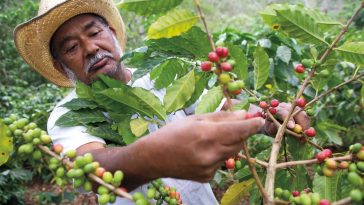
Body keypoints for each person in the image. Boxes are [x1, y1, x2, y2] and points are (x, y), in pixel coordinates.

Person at [14, 0, 310, 204]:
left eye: (94, 33)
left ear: (113, 34)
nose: (90, 48)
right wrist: (152, 157)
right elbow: (90, 166)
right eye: (71, 48)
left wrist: (266, 118)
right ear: (60, 64)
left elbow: (220, 110)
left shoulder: (159, 71)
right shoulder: (67, 114)